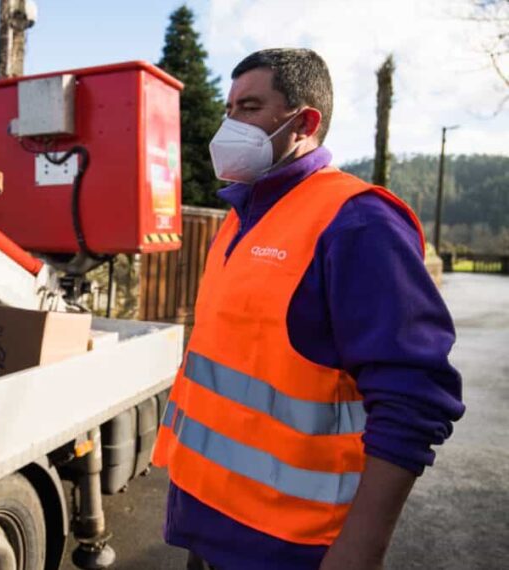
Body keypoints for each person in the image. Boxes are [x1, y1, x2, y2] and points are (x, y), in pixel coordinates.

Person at [153, 48, 465, 570]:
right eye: (229, 109)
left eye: (249, 107)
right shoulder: (241, 216)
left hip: (291, 546)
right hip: (207, 527)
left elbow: (415, 398)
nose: (229, 124)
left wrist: (360, 549)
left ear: (304, 122)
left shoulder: (358, 223)